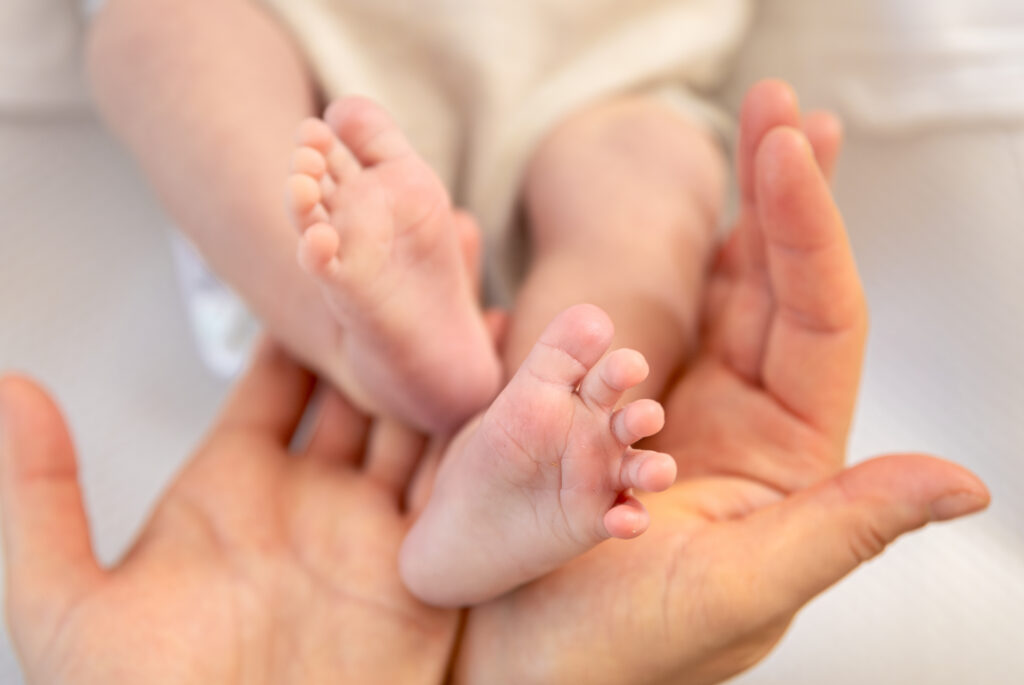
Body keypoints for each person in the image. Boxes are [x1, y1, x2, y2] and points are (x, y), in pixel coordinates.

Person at [0, 81, 989, 680]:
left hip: (601, 64)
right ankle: (448, 389)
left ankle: (501, 437)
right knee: (174, 36)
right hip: (382, 50)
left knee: (647, 188)